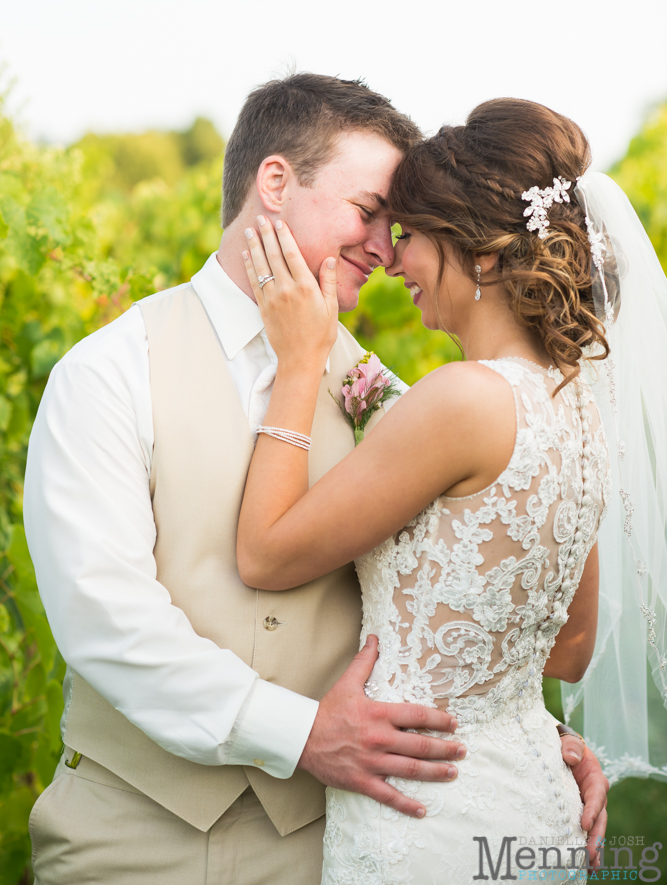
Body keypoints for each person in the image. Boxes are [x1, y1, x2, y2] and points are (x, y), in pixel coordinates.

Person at [24, 78, 607, 885]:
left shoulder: (394, 398)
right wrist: (303, 734)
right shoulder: (108, 374)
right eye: (368, 212)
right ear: (274, 184)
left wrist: (523, 741)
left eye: (398, 225)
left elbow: (472, 586)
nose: (385, 246)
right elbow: (106, 622)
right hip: (135, 844)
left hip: (339, 840)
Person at [235, 97, 619, 882]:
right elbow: (571, 649)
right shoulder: (576, 403)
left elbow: (265, 555)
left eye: (409, 235)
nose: (393, 258)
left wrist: (301, 363)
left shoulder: (461, 400)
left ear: (477, 253)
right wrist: (508, 717)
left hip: (427, 820)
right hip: (531, 806)